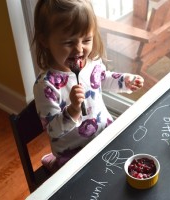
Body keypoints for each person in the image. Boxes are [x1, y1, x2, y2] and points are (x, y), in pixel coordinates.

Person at [32, 0, 144, 172]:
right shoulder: (45, 86)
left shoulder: (91, 63)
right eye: (69, 43)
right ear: (45, 40)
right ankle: (54, 161)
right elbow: (53, 130)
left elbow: (103, 78)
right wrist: (73, 110)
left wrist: (124, 80)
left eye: (86, 40)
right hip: (73, 153)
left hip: (104, 134)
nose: (79, 50)